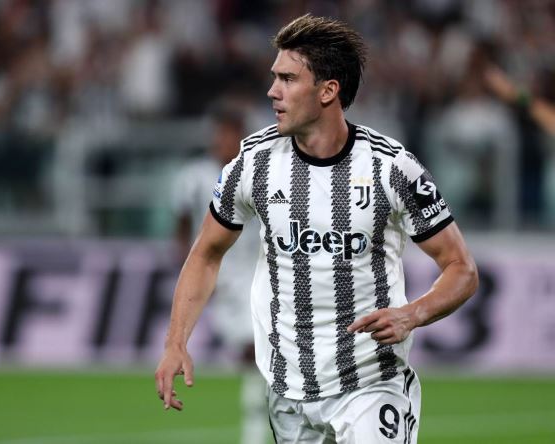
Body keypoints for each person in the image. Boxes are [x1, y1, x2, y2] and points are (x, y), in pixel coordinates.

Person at [156, 14, 478, 443]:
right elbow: (205, 253)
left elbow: (461, 268)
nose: (272, 91)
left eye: (288, 79)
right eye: (274, 77)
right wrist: (175, 341)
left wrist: (412, 314)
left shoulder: (391, 168)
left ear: (328, 91)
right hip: (290, 392)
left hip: (371, 382)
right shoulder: (253, 164)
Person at [170, 105, 267, 444]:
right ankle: (257, 401)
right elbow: (182, 225)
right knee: (244, 348)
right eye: (222, 132)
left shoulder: (256, 172)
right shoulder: (192, 177)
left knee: (253, 346)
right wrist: (185, 268)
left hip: (253, 271)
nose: (226, 139)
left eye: (232, 133)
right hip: (216, 274)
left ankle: (256, 412)